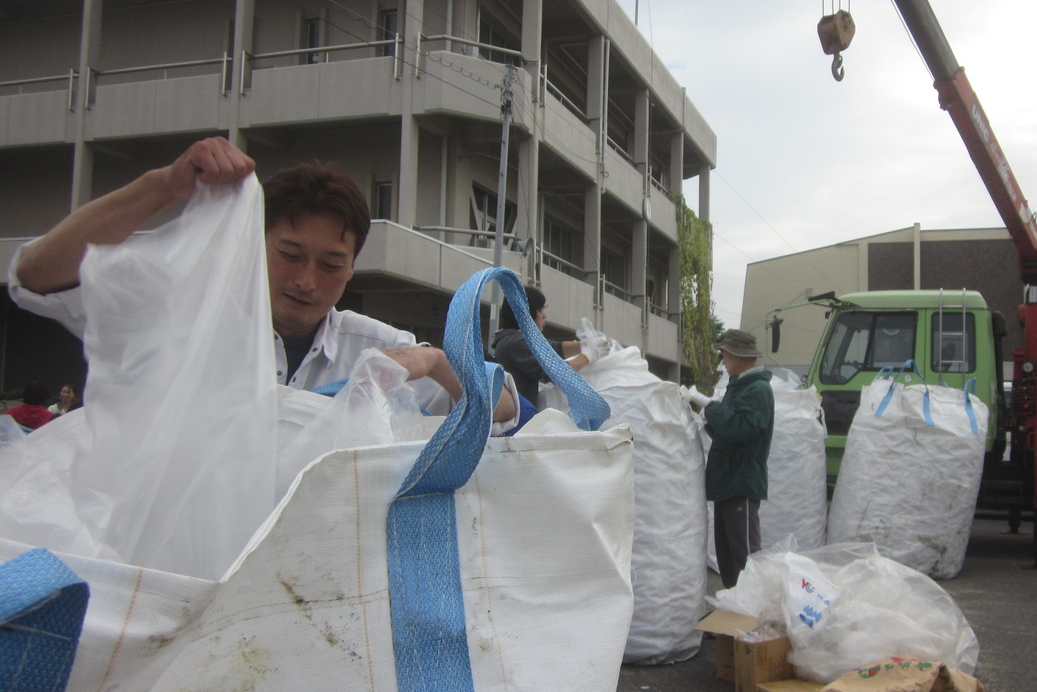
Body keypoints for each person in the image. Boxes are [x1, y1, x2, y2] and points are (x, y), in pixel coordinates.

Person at [8, 136, 515, 427]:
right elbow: (36, 277)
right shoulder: (179, 315)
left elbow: (504, 410)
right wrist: (162, 185)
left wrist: (434, 360)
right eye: (289, 255)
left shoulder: (375, 349)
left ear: (352, 269)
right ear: (255, 244)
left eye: (331, 264)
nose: (306, 281)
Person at [683, 329, 774, 589]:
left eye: (724, 355)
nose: (722, 361)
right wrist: (707, 420)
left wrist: (708, 405)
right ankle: (734, 614)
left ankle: (751, 613)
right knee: (727, 558)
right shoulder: (740, 388)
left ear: (738, 356)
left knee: (743, 557)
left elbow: (741, 428)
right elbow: (730, 430)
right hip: (727, 485)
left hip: (740, 485)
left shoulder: (757, 390)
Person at [490, 285, 609, 408]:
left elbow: (553, 348)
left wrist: (584, 345)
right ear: (527, 312)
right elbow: (559, 374)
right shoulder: (516, 343)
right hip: (520, 420)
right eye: (540, 310)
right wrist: (589, 354)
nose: (544, 315)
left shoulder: (513, 340)